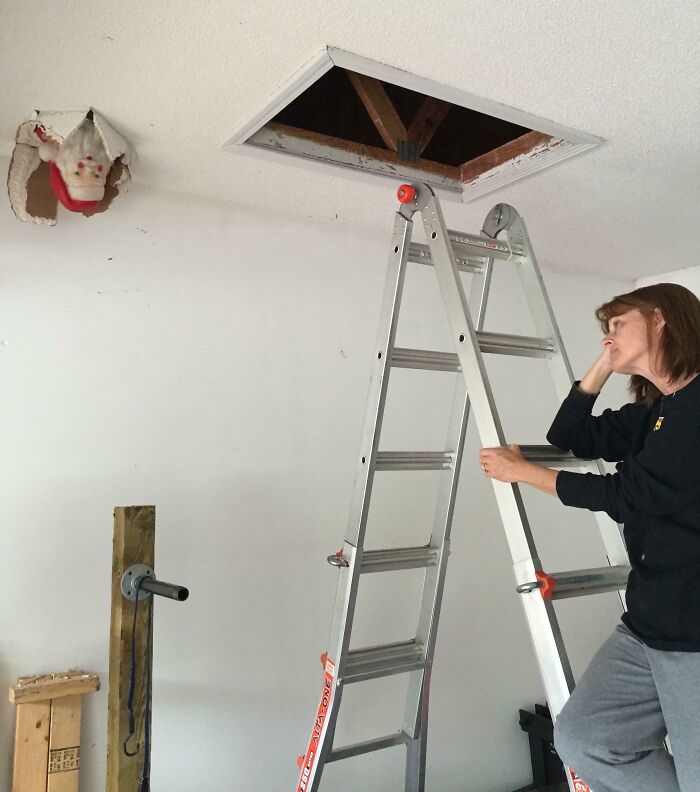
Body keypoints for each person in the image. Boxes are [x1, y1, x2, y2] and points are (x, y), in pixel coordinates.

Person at [478, 283, 700, 792]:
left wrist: (523, 473)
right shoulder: (655, 411)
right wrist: (603, 366)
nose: (608, 337)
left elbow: (628, 495)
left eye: (617, 325)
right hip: (649, 622)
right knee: (584, 737)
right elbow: (568, 435)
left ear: (660, 319)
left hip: (693, 630)